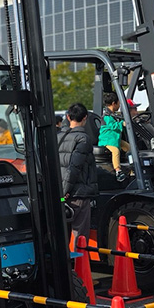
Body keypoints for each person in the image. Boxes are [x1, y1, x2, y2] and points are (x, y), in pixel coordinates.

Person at [58, 103, 98, 244]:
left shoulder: (58, 137)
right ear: (85, 117)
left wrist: (61, 192)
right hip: (77, 194)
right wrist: (65, 190)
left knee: (62, 234)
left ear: (68, 117)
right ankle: (79, 265)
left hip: (61, 194)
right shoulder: (83, 139)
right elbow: (75, 167)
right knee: (79, 237)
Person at [97, 92, 128, 182]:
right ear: (114, 103)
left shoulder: (114, 115)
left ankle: (132, 168)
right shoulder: (107, 116)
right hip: (107, 140)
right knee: (116, 151)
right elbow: (112, 126)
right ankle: (118, 170)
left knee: (130, 148)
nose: (119, 105)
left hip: (115, 138)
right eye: (119, 103)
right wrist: (122, 123)